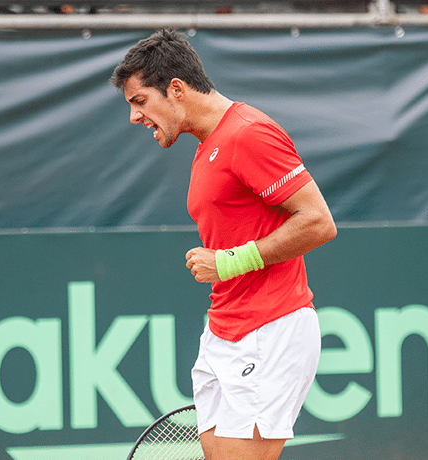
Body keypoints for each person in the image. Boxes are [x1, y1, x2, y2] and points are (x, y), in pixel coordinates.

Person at [111, 29, 337, 460]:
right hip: (223, 331)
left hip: (269, 328)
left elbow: (318, 222)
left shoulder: (249, 133)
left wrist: (231, 262)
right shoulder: (206, 147)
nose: (134, 117)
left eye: (140, 102)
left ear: (175, 89)